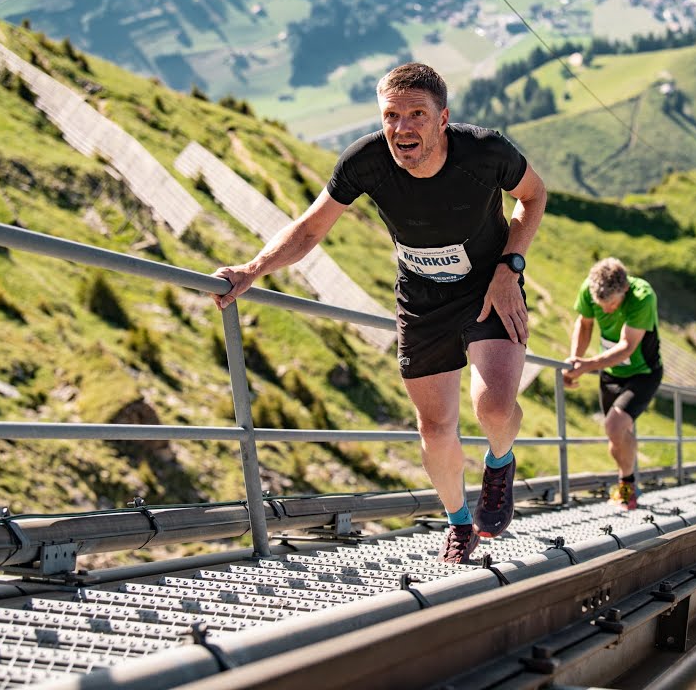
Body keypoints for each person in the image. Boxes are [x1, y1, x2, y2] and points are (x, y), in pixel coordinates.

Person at [210, 63, 547, 564]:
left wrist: (508, 267)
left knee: (495, 409)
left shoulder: (485, 151)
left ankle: (499, 462)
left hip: (489, 287)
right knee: (434, 430)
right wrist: (254, 269)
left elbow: (534, 196)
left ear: (443, 119)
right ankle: (459, 523)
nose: (402, 128)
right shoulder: (365, 161)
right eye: (392, 115)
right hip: (422, 301)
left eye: (416, 114)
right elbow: (309, 230)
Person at [562, 258, 663, 510]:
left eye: (613, 305)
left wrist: (586, 366)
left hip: (643, 372)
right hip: (610, 372)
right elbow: (584, 324)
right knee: (615, 433)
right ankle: (627, 482)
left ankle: (627, 488)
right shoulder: (589, 287)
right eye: (601, 306)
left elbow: (626, 347)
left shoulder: (643, 297)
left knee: (614, 424)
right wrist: (575, 361)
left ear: (625, 289)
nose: (606, 311)